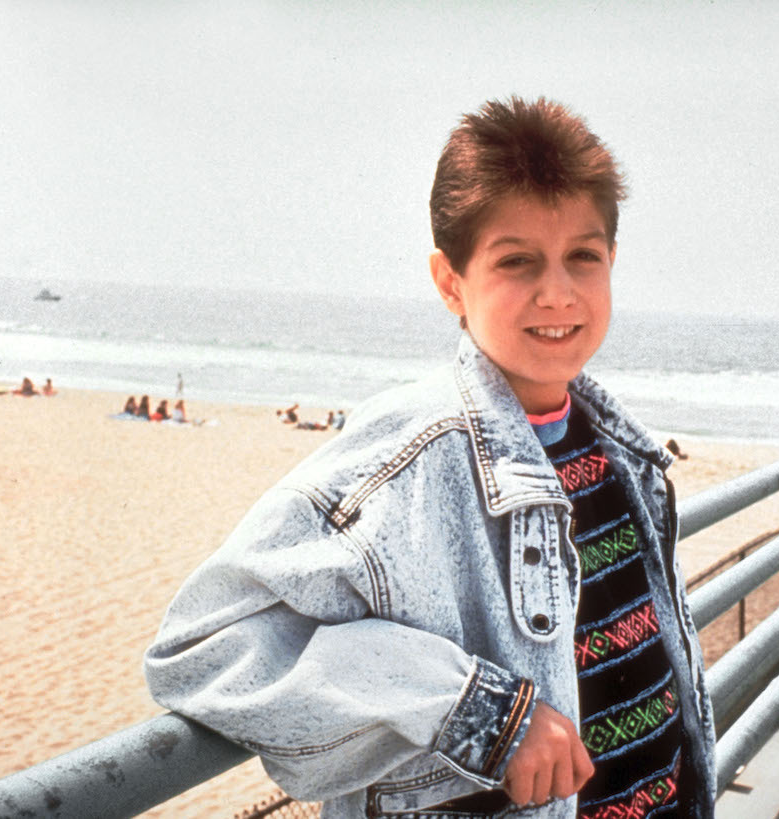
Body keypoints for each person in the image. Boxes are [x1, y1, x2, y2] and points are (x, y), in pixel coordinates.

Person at [145, 97, 716, 817]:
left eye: (583, 256)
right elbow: (203, 645)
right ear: (450, 281)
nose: (558, 291)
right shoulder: (409, 457)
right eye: (517, 261)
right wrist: (485, 714)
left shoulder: (619, 449)